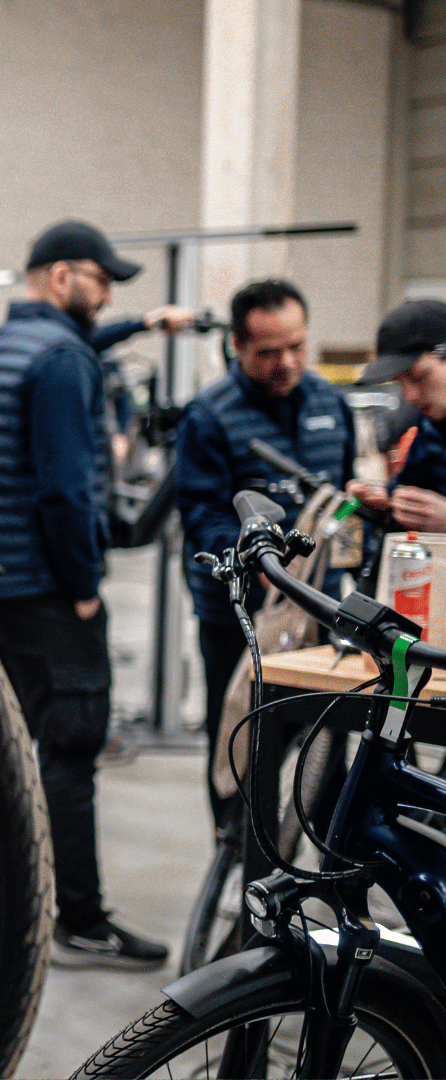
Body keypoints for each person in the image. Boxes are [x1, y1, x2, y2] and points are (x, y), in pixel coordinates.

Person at [0, 219, 172, 970]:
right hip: (48, 591)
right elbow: (66, 491)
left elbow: (82, 351)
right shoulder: (63, 360)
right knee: (71, 747)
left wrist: (145, 325)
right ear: (59, 277)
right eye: (100, 280)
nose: (106, 296)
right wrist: (83, 587)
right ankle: (78, 920)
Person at [174, 279, 353, 825]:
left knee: (325, 745)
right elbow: (201, 517)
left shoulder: (329, 402)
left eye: (296, 346)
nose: (287, 362)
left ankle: (322, 858)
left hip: (319, 609)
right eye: (269, 352)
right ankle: (233, 858)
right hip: (239, 618)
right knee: (239, 745)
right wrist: (256, 561)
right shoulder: (208, 416)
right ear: (237, 345)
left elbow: (341, 500)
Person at [347, 299, 446, 529]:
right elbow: (414, 485)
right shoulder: (432, 427)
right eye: (399, 383)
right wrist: (388, 502)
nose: (409, 396)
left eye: (419, 377)